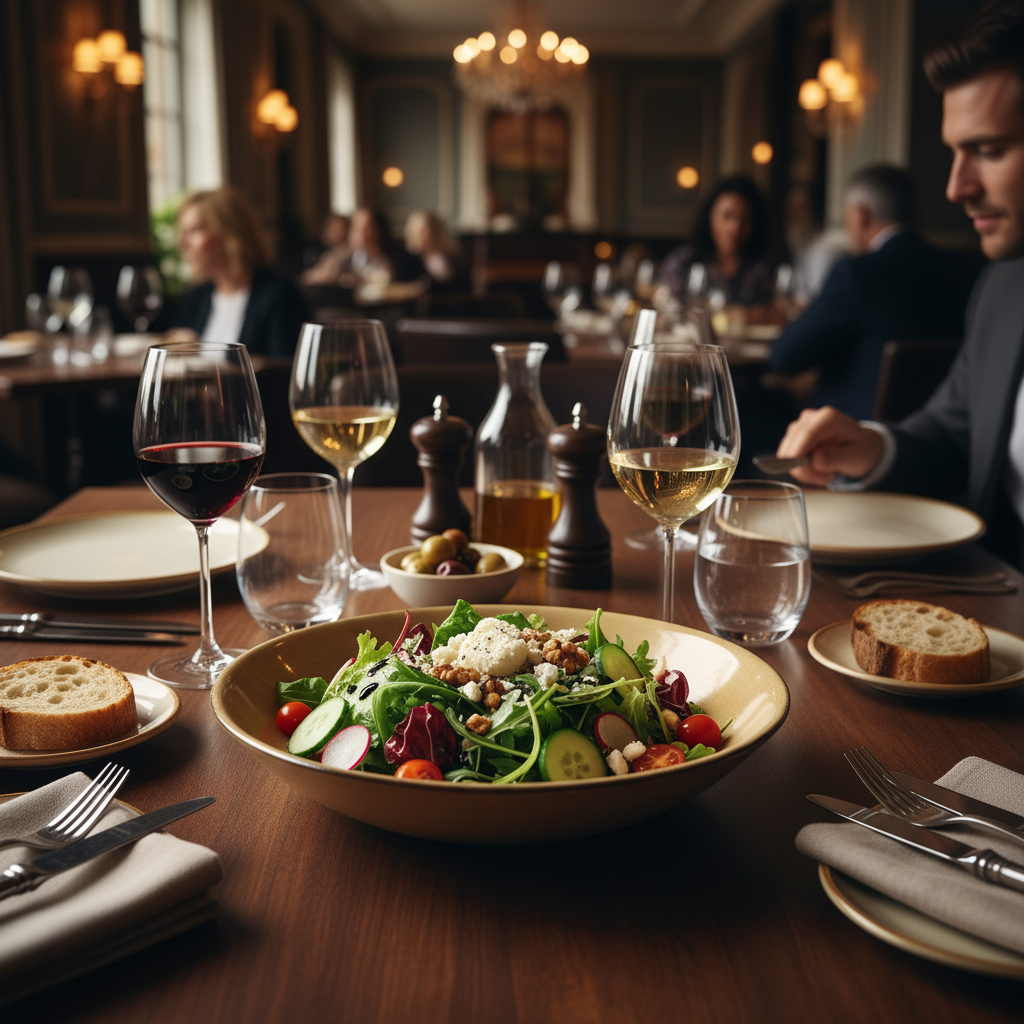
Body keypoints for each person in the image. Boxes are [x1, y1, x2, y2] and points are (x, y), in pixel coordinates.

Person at [775, 0, 1024, 568]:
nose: (957, 187)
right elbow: (952, 438)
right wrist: (872, 447)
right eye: (955, 152)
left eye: (989, 151)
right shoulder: (1002, 289)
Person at [768, 164, 979, 419]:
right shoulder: (965, 272)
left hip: (853, 431)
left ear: (860, 216)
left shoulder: (856, 274)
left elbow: (784, 357)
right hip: (942, 427)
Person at [172, 186, 308, 357]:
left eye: (195, 230)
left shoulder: (279, 296)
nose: (183, 243)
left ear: (229, 232)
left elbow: (286, 366)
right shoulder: (197, 296)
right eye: (183, 232)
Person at [657, 176, 774, 307]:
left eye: (745, 219)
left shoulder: (763, 269)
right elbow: (666, 305)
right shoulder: (684, 261)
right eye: (727, 216)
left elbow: (776, 311)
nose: (735, 228)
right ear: (710, 217)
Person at [403, 210, 467, 288]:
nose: (418, 236)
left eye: (423, 231)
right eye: (415, 232)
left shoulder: (439, 259)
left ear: (435, 233)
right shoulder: (416, 258)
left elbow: (446, 287)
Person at [301, 212, 352, 285]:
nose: (337, 231)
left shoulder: (350, 252)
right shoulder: (315, 250)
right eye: (334, 228)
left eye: (341, 228)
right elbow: (307, 275)